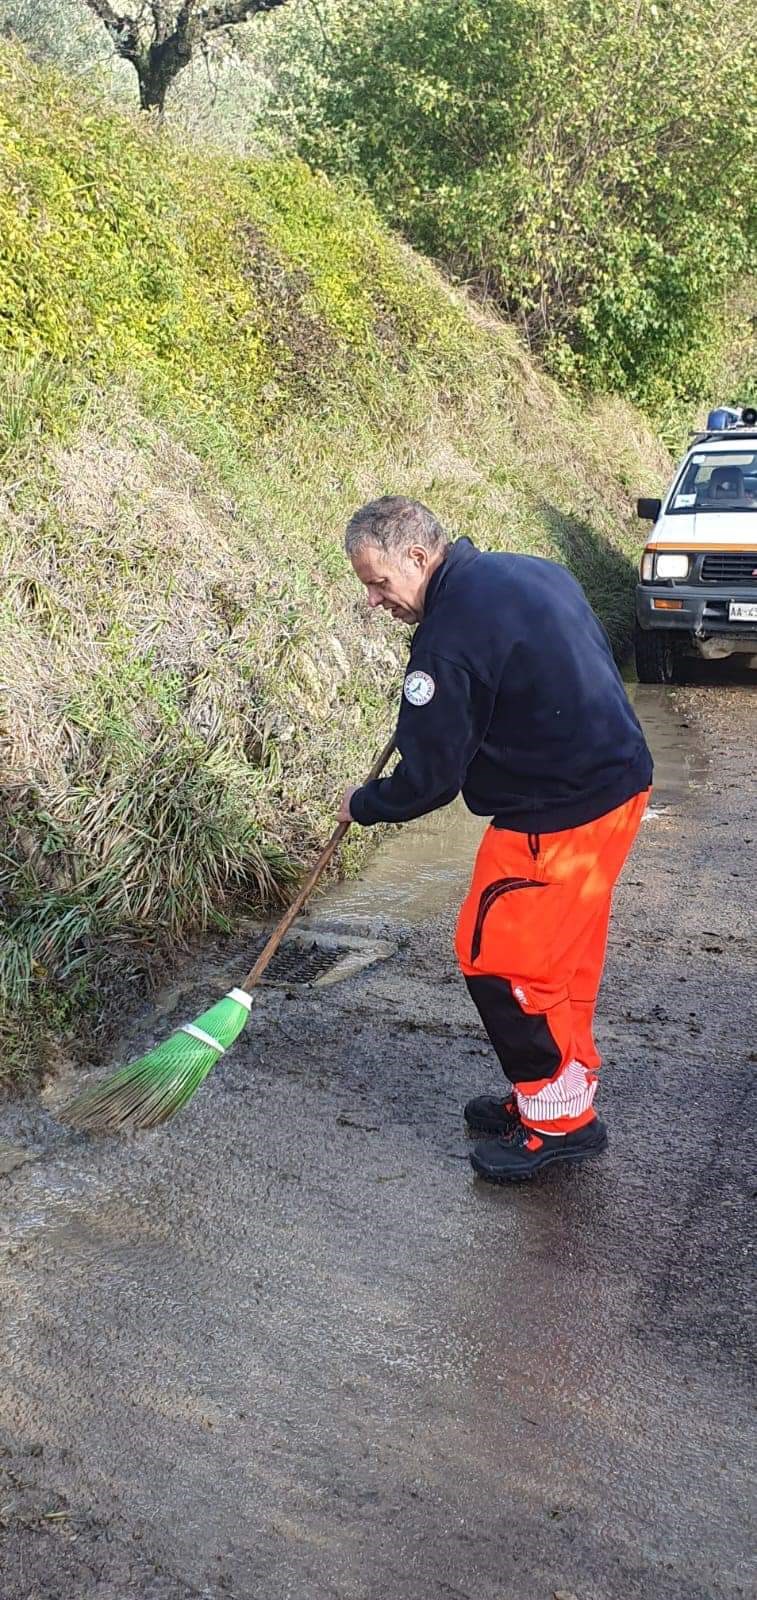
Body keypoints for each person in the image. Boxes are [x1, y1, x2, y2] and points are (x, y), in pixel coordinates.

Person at [338, 496, 653, 1182]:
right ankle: (559, 1097)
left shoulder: (446, 641)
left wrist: (361, 804)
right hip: (619, 785)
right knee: (561, 962)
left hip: (554, 815)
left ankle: (557, 1124)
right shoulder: (528, 572)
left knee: (499, 964)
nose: (373, 600)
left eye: (378, 582)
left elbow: (428, 780)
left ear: (417, 558)